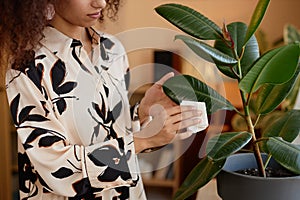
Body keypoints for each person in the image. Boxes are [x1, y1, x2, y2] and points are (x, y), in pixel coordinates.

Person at [0, 0, 203, 199]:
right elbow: (55, 167)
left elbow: (112, 127)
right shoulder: (26, 67)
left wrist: (141, 112)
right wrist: (143, 141)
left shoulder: (113, 49)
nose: (101, 3)